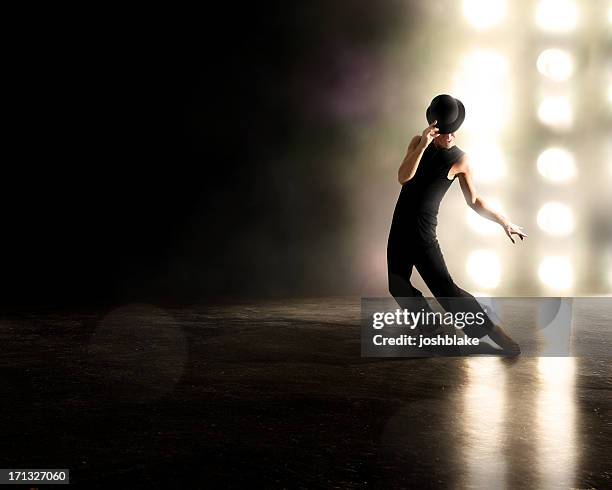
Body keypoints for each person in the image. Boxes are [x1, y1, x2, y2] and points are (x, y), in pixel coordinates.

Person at [387, 94, 527, 356]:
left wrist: (504, 221)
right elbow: (403, 177)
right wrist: (422, 145)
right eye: (443, 131)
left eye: (453, 131)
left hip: (422, 234)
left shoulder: (460, 160)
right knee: (397, 286)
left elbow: (474, 201)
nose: (449, 136)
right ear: (433, 128)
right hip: (399, 228)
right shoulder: (418, 143)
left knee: (447, 291)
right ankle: (430, 329)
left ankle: (492, 331)